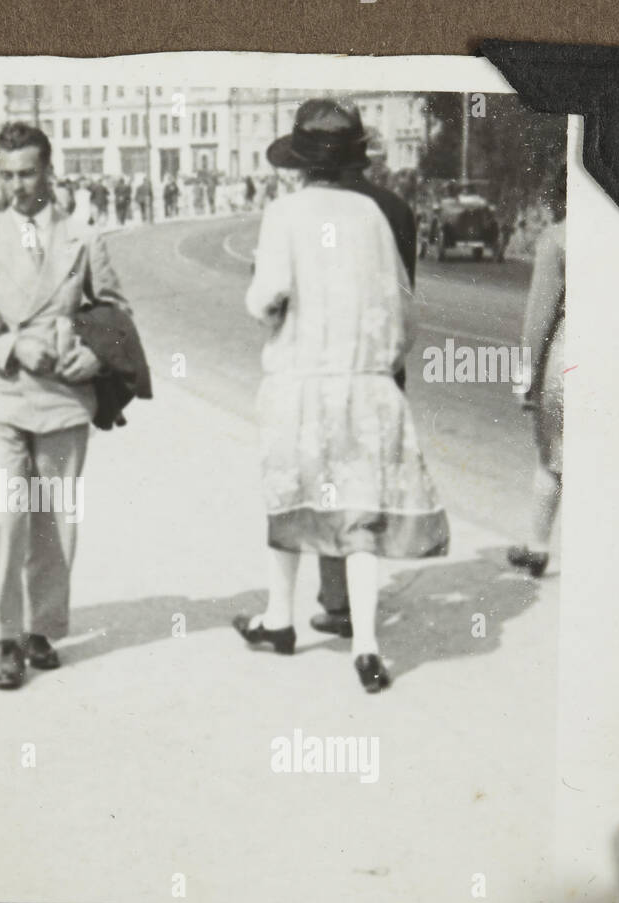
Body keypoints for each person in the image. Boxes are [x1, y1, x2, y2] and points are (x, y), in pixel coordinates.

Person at [235, 99, 449, 693]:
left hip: (301, 383)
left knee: (291, 500)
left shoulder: (285, 213)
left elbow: (266, 297)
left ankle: (279, 619)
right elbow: (403, 312)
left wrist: (276, 307)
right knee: (360, 513)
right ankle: (366, 646)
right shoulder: (373, 217)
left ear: (301, 162)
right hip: (365, 386)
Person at [0, 122, 130, 691]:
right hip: (1, 394)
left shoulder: (83, 237)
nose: (18, 186)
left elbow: (117, 317)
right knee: (4, 519)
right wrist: (6, 346)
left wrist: (97, 360)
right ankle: (4, 639)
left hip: (62, 400)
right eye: (6, 175)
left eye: (28, 173)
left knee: (53, 521)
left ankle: (41, 629)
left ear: (49, 171)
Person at [310, 111, 421, 640]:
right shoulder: (397, 209)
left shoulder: (311, 211)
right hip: (381, 368)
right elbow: (403, 300)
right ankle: (360, 597)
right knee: (367, 484)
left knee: (328, 482)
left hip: (326, 369)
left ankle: (336, 601)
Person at [507, 166, 566, 578]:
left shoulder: (558, 238)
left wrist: (525, 379)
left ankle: (538, 547)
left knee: (553, 457)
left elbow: (538, 320)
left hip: (571, 358)